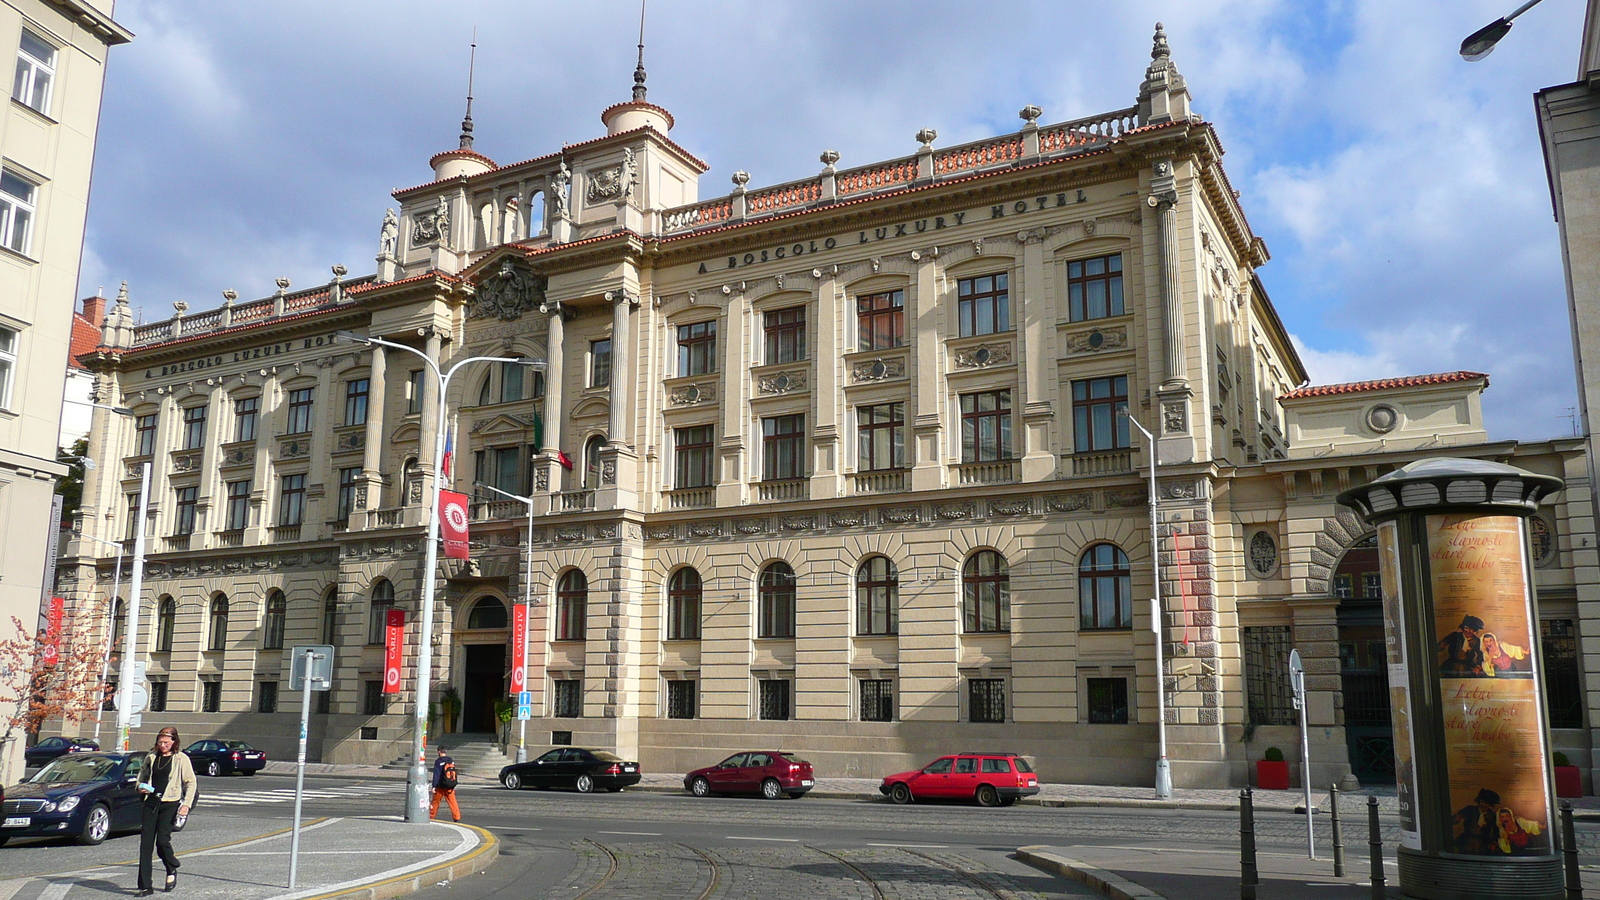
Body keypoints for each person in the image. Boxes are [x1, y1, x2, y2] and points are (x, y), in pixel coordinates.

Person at [137, 727, 197, 895]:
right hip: (151, 802)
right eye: (160, 742)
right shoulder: (151, 757)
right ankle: (145, 886)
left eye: (166, 742)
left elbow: (191, 782)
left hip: (170, 803)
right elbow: (141, 777)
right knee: (146, 845)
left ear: (174, 742)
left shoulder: (181, 759)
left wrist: (186, 804)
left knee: (162, 841)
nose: (163, 745)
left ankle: (172, 867)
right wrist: (140, 787)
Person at [429, 745, 460, 822]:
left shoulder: (438, 761)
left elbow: (436, 774)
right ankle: (456, 817)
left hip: (440, 786)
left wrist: (434, 786)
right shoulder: (450, 760)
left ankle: (431, 816)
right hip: (450, 785)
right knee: (452, 801)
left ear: (439, 752)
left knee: (435, 802)